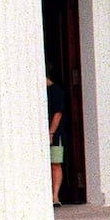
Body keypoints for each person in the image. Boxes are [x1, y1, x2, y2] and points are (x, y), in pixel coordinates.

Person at [47, 76, 66, 207]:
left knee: (55, 163)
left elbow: (58, 113)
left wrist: (51, 132)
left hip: (55, 135)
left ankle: (55, 196)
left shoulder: (56, 90)